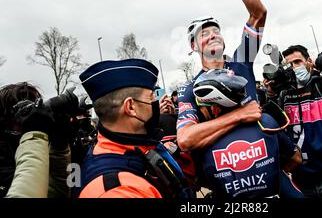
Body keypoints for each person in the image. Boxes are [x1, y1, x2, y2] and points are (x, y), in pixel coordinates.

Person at [176, 0, 267, 154]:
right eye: (204, 34)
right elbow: (185, 139)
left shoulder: (241, 62)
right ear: (193, 46)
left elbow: (258, 14)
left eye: (216, 31)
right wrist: (240, 115)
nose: (212, 36)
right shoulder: (190, 89)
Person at [77, 58, 193, 198]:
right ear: (131, 107)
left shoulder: (133, 144)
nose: (156, 103)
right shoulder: (116, 191)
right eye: (151, 98)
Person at [191, 69, 303, 198]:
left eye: (203, 106)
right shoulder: (265, 120)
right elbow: (296, 159)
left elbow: (204, 182)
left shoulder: (201, 141)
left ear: (214, 107)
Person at [263, 45, 322, 198]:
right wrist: (272, 93)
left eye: (298, 62)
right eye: (289, 65)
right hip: (302, 181)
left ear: (309, 61)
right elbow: (273, 124)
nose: (294, 67)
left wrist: (317, 65)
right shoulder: (284, 95)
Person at [0, 82, 72, 198]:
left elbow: (57, 192)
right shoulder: (6, 165)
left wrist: (60, 148)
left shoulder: (39, 149)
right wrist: (34, 134)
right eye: (25, 113)